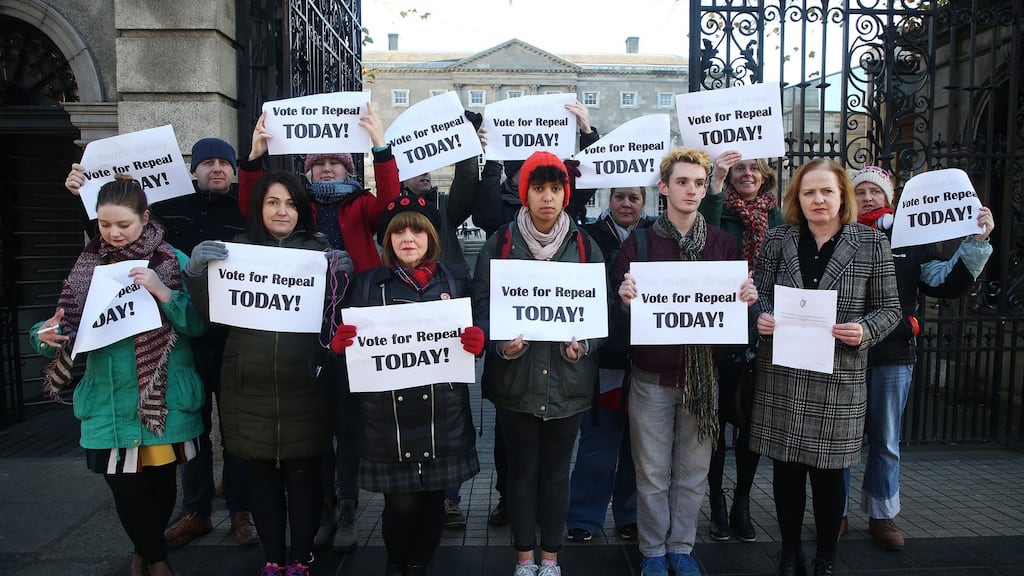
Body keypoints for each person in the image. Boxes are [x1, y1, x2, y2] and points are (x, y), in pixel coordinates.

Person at [64, 138, 258, 549]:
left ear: (236, 171)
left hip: (229, 338)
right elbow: (113, 239)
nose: (217, 169)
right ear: (194, 170)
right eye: (208, 162)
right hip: (175, 351)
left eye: (225, 162)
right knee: (192, 433)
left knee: (237, 432)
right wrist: (88, 193)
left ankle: (241, 510)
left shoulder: (246, 209)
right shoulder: (170, 210)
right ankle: (196, 512)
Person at [243, 103, 400, 552]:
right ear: (307, 169)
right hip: (304, 327)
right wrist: (254, 161)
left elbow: (391, 208)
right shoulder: (297, 204)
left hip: (355, 327)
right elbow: (255, 209)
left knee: (349, 422)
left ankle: (347, 502)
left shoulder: (360, 204)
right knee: (317, 421)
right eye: (319, 163)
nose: (327, 169)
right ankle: (326, 504)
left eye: (335, 161)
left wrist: (381, 149)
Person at [33, 175, 206, 576]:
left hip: (161, 400)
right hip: (108, 401)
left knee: (161, 487)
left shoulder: (172, 260)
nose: (112, 233)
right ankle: (156, 559)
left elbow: (199, 326)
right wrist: (44, 335)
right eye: (104, 225)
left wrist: (164, 292)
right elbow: (61, 324)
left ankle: (144, 551)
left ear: (145, 218)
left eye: (122, 225)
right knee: (124, 487)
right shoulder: (85, 265)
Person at [183, 170, 353, 576]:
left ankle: (301, 559)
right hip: (249, 386)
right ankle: (273, 560)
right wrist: (195, 274)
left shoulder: (320, 251)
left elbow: (338, 322)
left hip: (304, 385)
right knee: (260, 477)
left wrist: (344, 278)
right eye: (273, 202)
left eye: (291, 204)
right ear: (259, 208)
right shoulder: (235, 252)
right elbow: (208, 317)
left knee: (305, 477)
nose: (282, 211)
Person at [749, 158, 901, 576]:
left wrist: (864, 330)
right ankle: (791, 551)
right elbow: (758, 294)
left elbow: (891, 309)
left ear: (842, 196)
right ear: (797, 197)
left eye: (827, 191)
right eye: (809, 191)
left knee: (831, 475)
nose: (818, 199)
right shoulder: (779, 238)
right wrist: (760, 317)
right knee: (786, 471)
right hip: (784, 374)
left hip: (840, 376)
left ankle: (827, 558)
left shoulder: (871, 244)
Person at [613, 149, 759, 576]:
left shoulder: (722, 243)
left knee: (693, 472)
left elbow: (735, 310)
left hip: (702, 379)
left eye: (698, 182)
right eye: (682, 182)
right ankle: (654, 551)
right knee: (653, 472)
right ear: (664, 188)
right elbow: (619, 317)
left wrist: (747, 299)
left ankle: (681, 546)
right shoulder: (639, 243)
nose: (691, 189)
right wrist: (625, 304)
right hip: (651, 377)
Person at [331, 195, 482, 576]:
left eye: (417, 229)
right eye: (399, 230)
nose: (408, 237)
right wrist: (340, 346)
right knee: (401, 506)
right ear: (388, 240)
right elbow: (351, 354)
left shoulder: (452, 280)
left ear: (431, 237)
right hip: (388, 420)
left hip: (442, 415)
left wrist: (475, 343)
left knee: (432, 502)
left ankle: (417, 565)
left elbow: (467, 339)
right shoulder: (368, 285)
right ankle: (396, 565)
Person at [846, 166, 994, 551]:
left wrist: (975, 241)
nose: (866, 198)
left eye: (874, 192)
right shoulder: (840, 236)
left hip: (894, 355)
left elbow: (945, 281)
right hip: (844, 355)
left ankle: (882, 515)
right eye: (859, 191)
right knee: (841, 441)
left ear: (889, 197)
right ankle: (836, 513)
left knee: (886, 441)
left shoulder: (911, 239)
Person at [471, 150, 603, 576]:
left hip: (568, 382)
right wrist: (499, 344)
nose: (548, 197)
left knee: (555, 475)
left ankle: (551, 557)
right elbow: (482, 307)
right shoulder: (501, 244)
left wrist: (583, 345)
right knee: (522, 475)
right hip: (516, 382)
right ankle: (524, 558)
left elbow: (600, 318)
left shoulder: (585, 247)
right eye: (539, 188)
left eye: (556, 188)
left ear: (567, 193)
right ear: (523, 193)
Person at [397, 110, 487, 529]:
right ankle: (410, 491)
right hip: (401, 331)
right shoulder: (392, 212)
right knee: (408, 411)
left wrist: (468, 144)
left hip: (448, 321)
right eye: (416, 170)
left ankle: (448, 498)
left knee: (450, 410)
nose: (426, 175)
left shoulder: (446, 207)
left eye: (429, 170)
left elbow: (468, 183)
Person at [700, 151, 783, 542]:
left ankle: (742, 501)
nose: (747, 174)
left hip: (762, 331)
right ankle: (715, 499)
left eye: (754, 168)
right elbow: (704, 240)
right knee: (715, 421)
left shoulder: (780, 219)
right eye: (740, 168)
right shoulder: (718, 209)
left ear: (764, 175)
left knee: (751, 423)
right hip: (720, 329)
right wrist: (714, 185)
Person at [565, 186, 654, 543]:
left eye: (634, 197)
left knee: (636, 448)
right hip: (603, 358)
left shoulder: (654, 236)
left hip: (645, 356)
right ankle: (584, 519)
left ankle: (629, 516)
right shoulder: (588, 237)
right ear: (608, 200)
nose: (626, 203)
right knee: (597, 446)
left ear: (644, 202)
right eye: (619, 196)